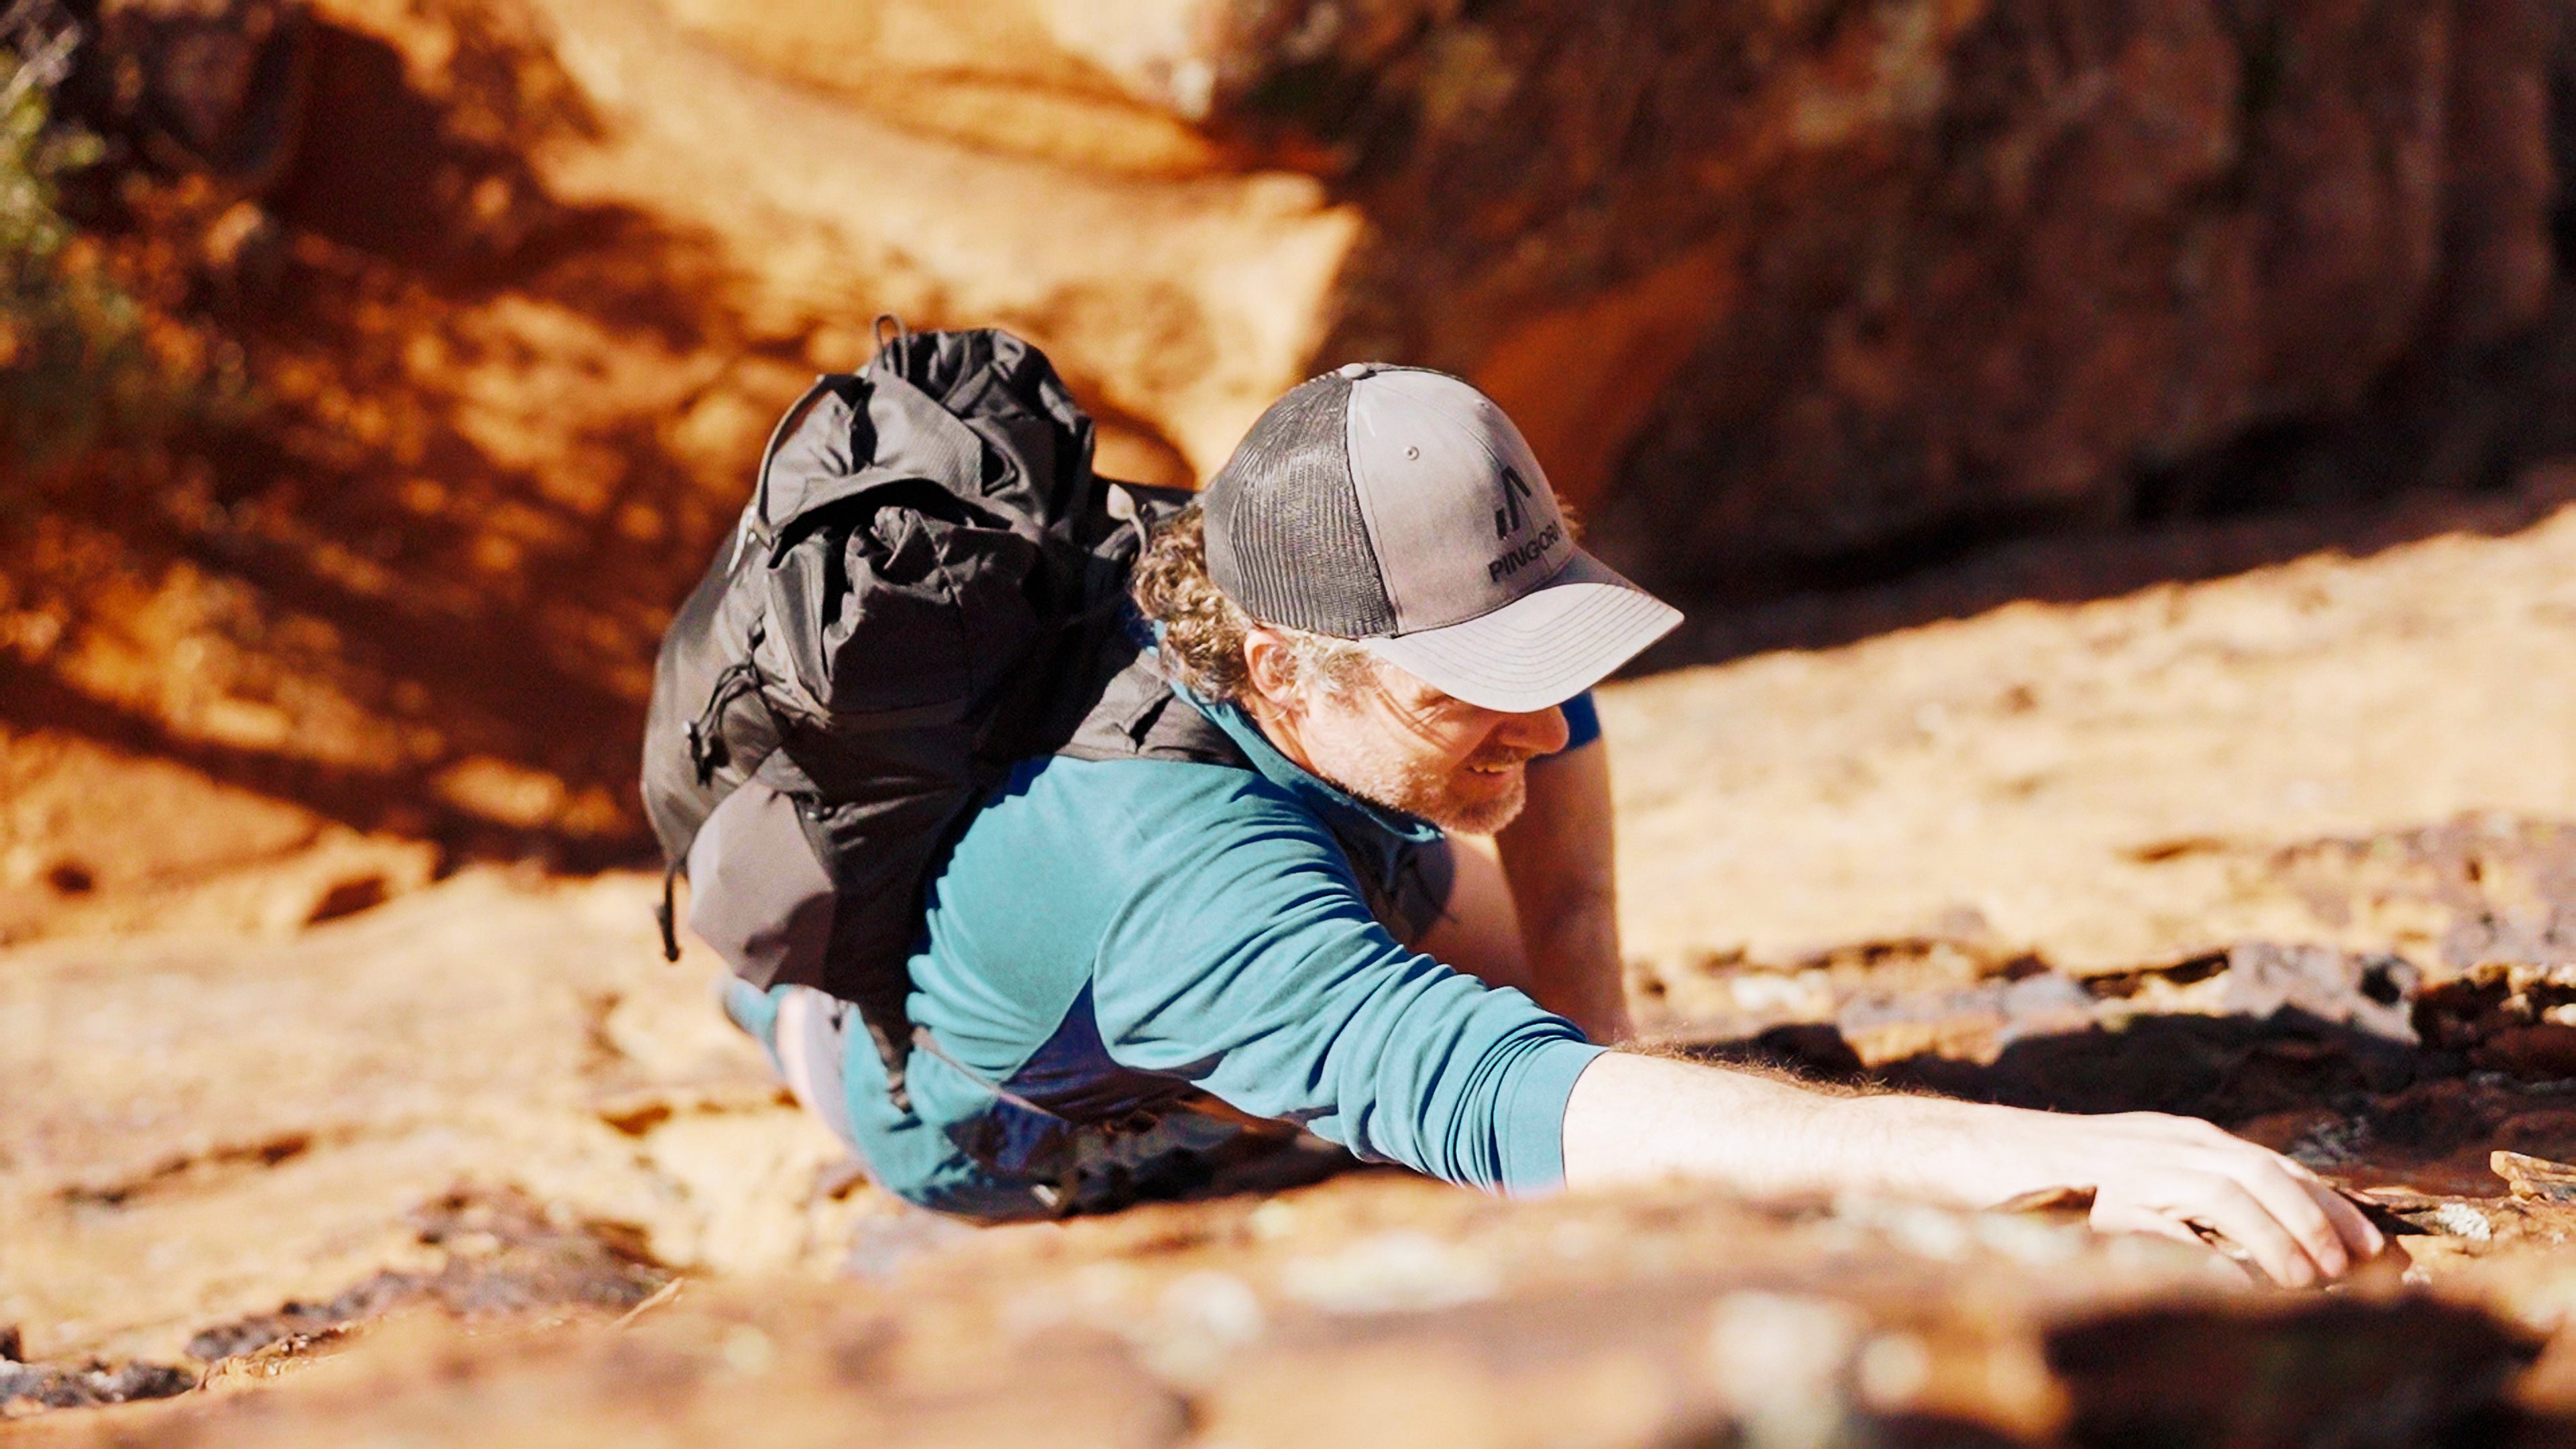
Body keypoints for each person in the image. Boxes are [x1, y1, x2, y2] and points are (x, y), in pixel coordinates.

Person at [721, 362, 2383, 1285]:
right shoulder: (1189, 890)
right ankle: (782, 1013)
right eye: (1473, 683)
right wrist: (2051, 1160)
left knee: (1545, 1029)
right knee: (1393, 1079)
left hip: (1275, 844)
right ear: (1284, 669)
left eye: (1545, 643)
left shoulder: (1350, 613)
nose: (1539, 712)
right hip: (977, 1118)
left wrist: (1595, 1034)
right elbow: (1510, 1102)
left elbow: (1553, 737)